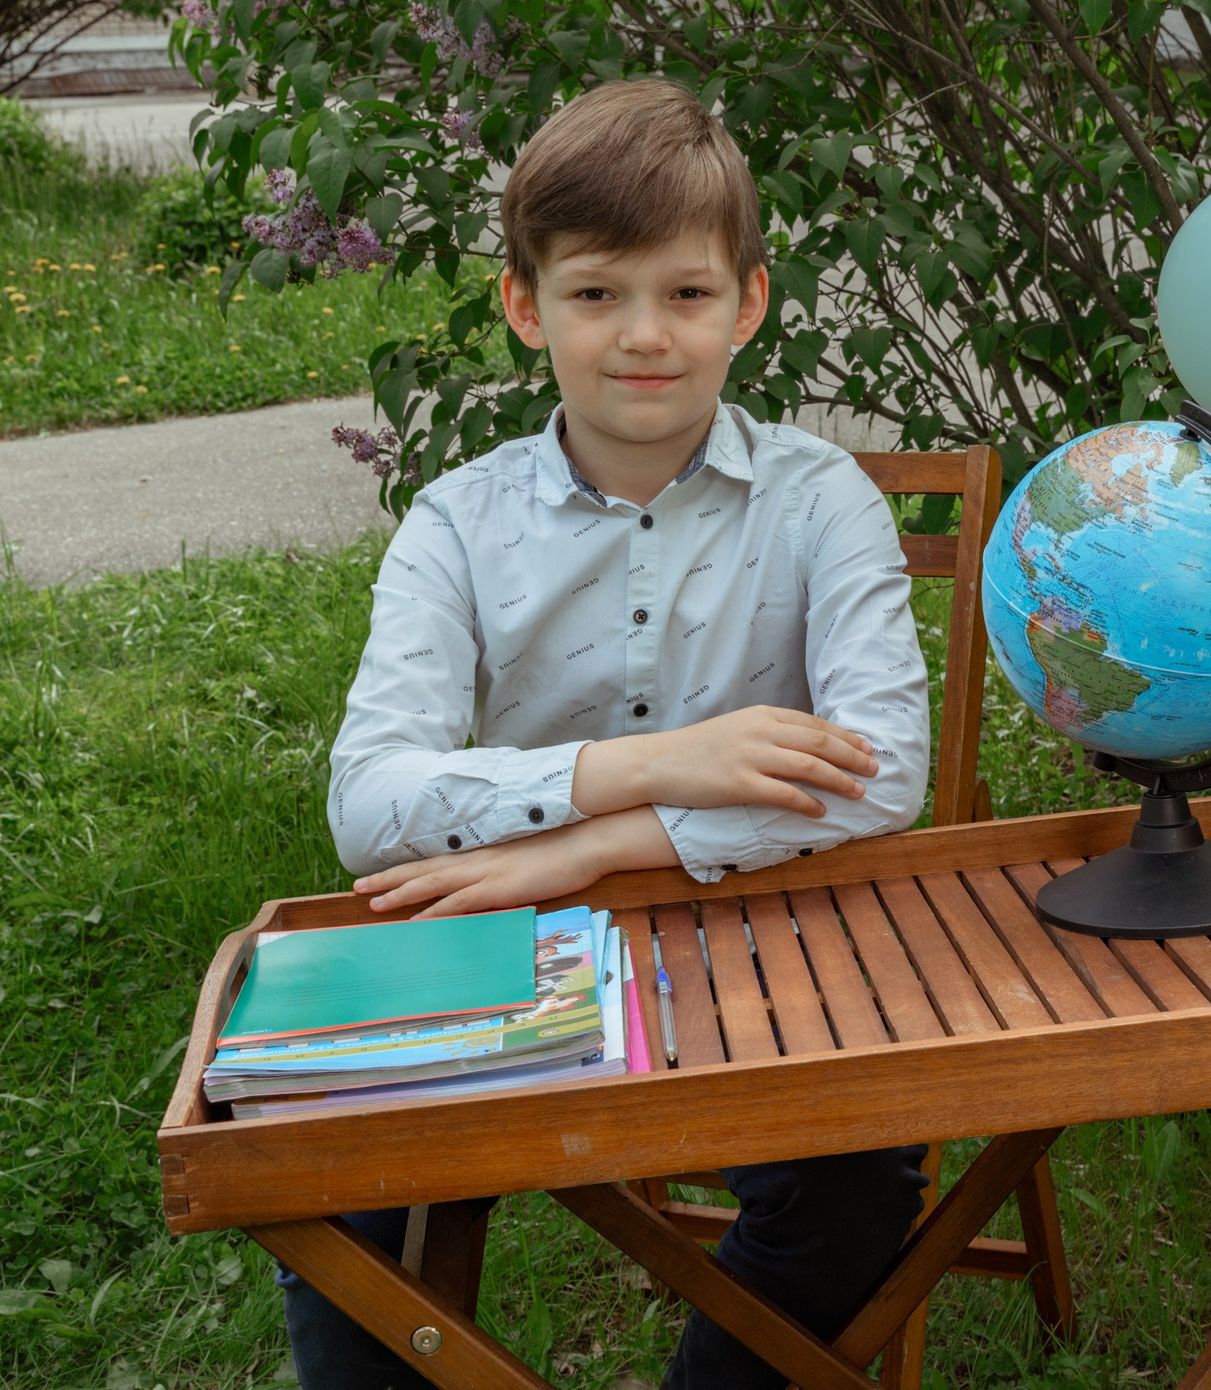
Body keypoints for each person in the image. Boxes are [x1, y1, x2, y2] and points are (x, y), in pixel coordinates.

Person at [283, 76, 933, 1390]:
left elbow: (884, 775)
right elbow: (368, 803)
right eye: (595, 293)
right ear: (527, 306)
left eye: (687, 292)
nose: (645, 335)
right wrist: (649, 767)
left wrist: (587, 845)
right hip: (506, 941)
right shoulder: (457, 522)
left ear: (748, 302)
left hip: (757, 926)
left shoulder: (823, 501)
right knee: (330, 1172)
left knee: (859, 1177)